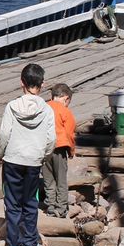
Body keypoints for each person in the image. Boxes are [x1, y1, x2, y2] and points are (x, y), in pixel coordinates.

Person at [0, 63, 55, 246]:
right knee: (31, 201)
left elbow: (4, 134)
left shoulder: (12, 107)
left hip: (13, 160)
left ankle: (13, 243)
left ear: (22, 83)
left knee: (12, 202)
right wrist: (44, 156)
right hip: (33, 161)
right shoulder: (47, 110)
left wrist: (1, 154)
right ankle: (30, 242)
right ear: (42, 84)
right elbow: (51, 139)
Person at [43, 83, 76, 218]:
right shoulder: (65, 111)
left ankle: (50, 206)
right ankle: (61, 208)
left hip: (44, 149)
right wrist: (71, 150)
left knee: (48, 178)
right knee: (61, 179)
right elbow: (69, 133)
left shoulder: (43, 108)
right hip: (59, 147)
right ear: (66, 98)